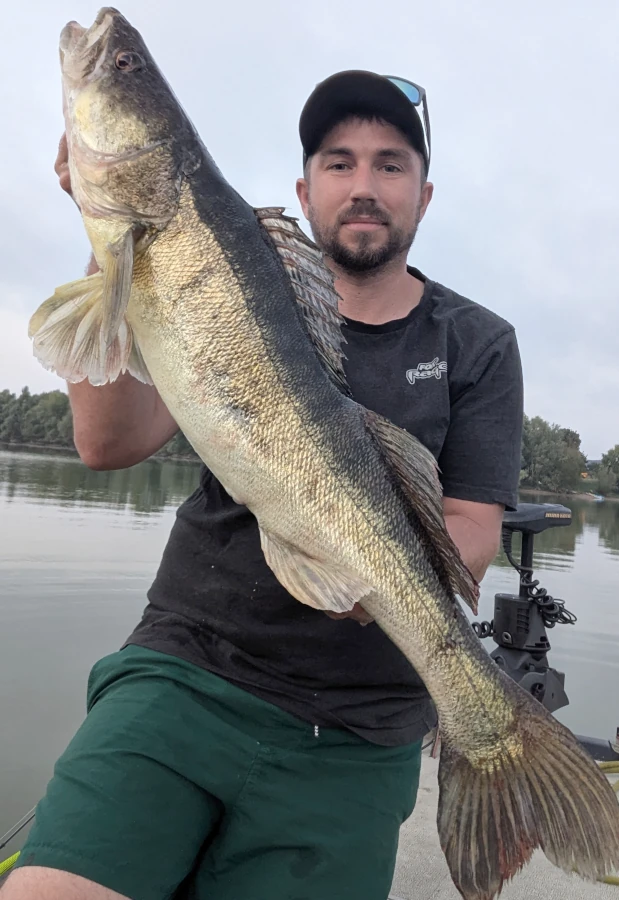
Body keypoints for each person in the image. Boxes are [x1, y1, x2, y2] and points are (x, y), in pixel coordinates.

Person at [3, 71, 523, 900]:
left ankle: (491, 735)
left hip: (360, 723)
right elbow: (107, 445)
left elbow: (471, 523)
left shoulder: (478, 342)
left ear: (424, 196)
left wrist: (369, 580)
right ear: (303, 191)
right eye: (338, 162)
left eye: (390, 164)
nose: (363, 185)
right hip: (186, 668)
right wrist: (111, 240)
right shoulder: (223, 278)